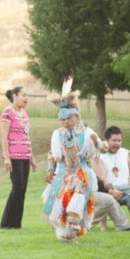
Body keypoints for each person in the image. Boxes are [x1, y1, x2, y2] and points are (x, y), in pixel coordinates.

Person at [41, 72, 98, 242]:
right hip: (63, 173)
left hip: (81, 173)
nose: (65, 122)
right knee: (58, 201)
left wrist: (97, 143)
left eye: (68, 119)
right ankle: (62, 232)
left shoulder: (85, 133)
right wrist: (51, 169)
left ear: (76, 117)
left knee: (76, 200)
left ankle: (72, 229)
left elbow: (95, 148)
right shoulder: (57, 134)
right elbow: (54, 155)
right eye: (62, 120)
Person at [0, 86, 37, 229]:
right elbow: (4, 136)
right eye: (23, 95)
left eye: (27, 96)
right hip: (14, 156)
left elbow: (26, 135)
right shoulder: (8, 112)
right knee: (17, 187)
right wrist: (6, 157)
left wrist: (31, 157)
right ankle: (6, 223)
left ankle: (16, 224)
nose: (26, 98)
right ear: (15, 96)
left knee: (23, 189)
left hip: (25, 155)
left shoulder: (24, 114)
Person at [99, 126, 130, 230]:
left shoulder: (124, 153)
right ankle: (103, 226)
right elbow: (100, 178)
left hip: (125, 187)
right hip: (109, 189)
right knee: (103, 195)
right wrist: (111, 190)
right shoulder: (100, 155)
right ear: (106, 141)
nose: (117, 143)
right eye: (114, 140)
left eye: (119, 140)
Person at [91, 156, 130, 231]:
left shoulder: (87, 162)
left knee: (110, 200)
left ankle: (123, 226)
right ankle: (83, 226)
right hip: (77, 194)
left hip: (89, 192)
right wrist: (110, 192)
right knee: (107, 199)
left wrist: (107, 187)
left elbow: (95, 180)